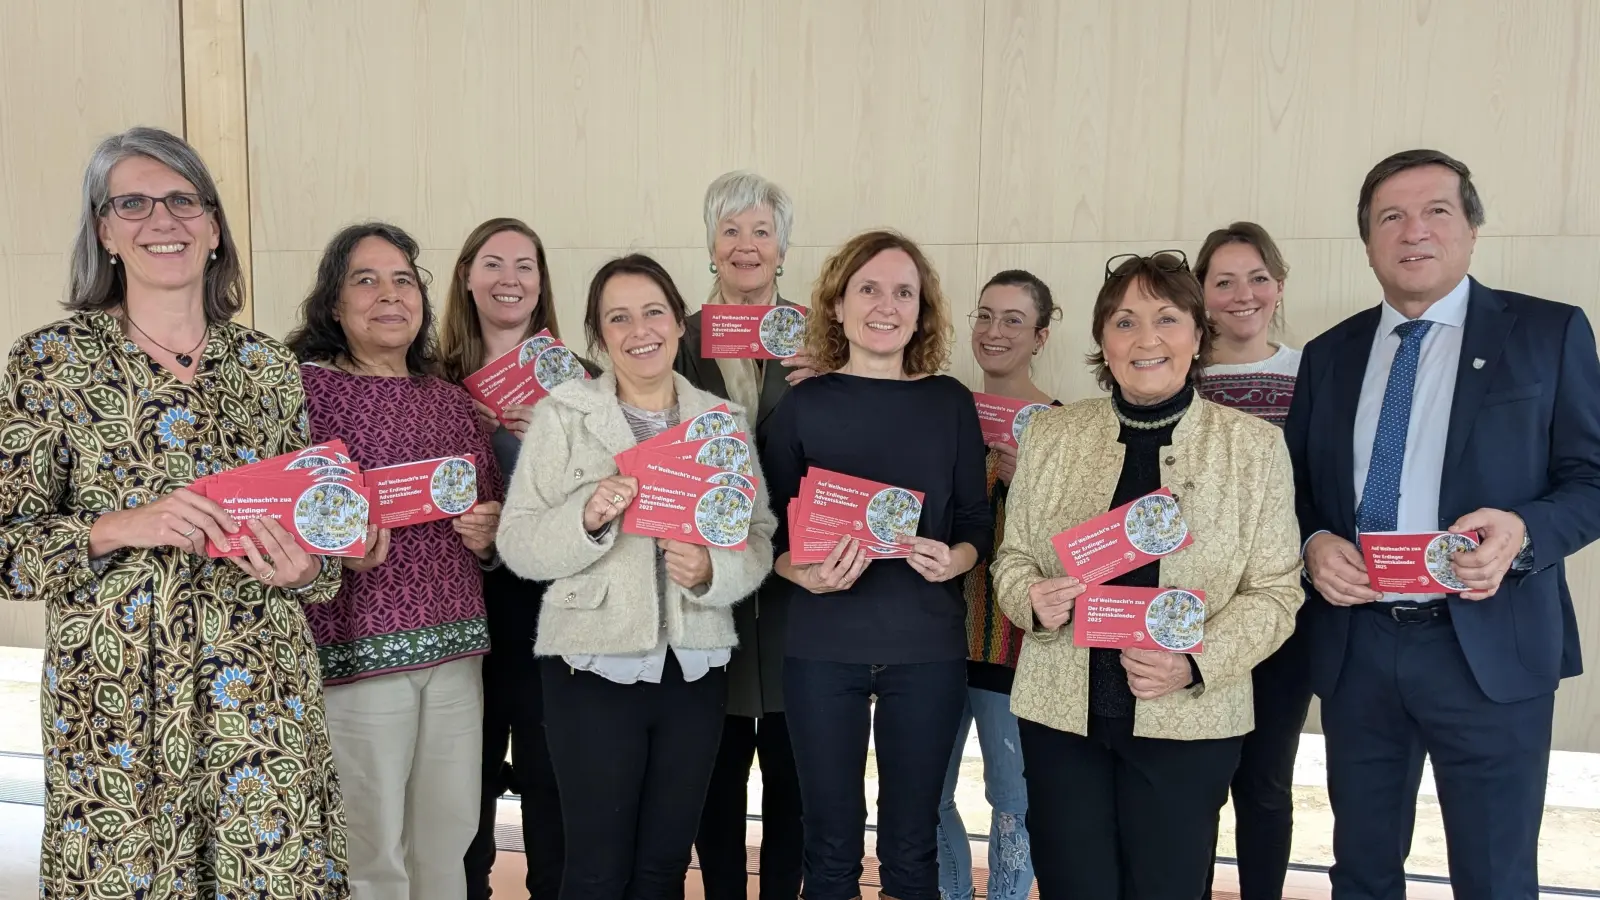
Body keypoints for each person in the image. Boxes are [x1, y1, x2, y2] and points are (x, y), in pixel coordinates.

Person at [2, 126, 349, 898]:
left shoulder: (268, 369)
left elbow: (317, 543)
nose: (163, 220)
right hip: (117, 717)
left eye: (183, 200)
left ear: (215, 227)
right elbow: (7, 549)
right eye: (133, 202)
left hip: (262, 702)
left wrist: (308, 569)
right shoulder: (49, 362)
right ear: (104, 231)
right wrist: (118, 526)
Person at [1286, 149, 1600, 900]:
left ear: (1471, 229)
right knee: (1360, 872)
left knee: (1494, 878)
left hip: (1490, 651)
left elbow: (1590, 480)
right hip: (1360, 647)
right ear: (1367, 241)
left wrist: (1524, 532)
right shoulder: (1329, 355)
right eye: (1390, 216)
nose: (1413, 231)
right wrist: (1313, 543)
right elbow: (1293, 492)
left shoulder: (1546, 335)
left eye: (1436, 211)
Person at [990, 251, 1303, 900]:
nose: (1146, 339)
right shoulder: (1053, 435)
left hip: (1187, 718)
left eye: (1167, 318)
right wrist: (1030, 597)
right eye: (1125, 322)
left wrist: (1194, 660)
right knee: (1074, 885)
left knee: (1166, 886)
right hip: (1061, 721)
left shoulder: (1252, 447)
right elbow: (1012, 559)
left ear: (1197, 333)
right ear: (1103, 342)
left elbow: (1277, 592)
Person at [497, 254, 776, 900]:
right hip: (592, 672)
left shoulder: (721, 421)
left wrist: (714, 569)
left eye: (653, 312)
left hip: (695, 673)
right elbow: (516, 542)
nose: (638, 329)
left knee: (662, 870)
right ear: (598, 336)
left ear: (679, 324)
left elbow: (757, 537)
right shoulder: (564, 415)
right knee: (595, 871)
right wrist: (586, 519)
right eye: (617, 318)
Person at [761, 229, 993, 900]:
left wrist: (958, 559)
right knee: (829, 845)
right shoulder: (802, 404)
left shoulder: (949, 402)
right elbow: (764, 527)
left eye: (903, 292)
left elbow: (975, 521)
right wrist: (795, 571)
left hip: (925, 650)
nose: (885, 305)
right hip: (822, 649)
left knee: (911, 846)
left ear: (921, 312)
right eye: (868, 288)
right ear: (837, 304)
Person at [287, 222, 505, 900]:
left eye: (403, 280)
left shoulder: (451, 402)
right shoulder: (303, 395)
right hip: (358, 656)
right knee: (370, 849)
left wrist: (490, 534)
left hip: (457, 651)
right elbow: (272, 517)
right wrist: (331, 550)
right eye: (366, 279)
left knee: (448, 838)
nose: (389, 295)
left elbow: (492, 513)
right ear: (333, 303)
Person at [675, 171, 812, 900]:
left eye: (761, 231)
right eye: (731, 231)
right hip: (708, 596)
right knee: (713, 783)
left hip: (800, 594)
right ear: (710, 244)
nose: (746, 246)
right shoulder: (674, 340)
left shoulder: (828, 338)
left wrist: (836, 385)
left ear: (783, 247)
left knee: (797, 783)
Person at [439, 217, 574, 900]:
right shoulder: (428, 379)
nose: (510, 279)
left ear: (542, 283)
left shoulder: (581, 383)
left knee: (553, 783)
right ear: (466, 275)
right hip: (456, 608)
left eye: (526, 265)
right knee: (467, 781)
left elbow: (611, 501)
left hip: (549, 612)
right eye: (493, 264)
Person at [933, 270, 1059, 900]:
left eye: (1014, 319)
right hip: (931, 642)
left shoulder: (1068, 429)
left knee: (1015, 802)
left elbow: (1080, 548)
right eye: (985, 315)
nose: (995, 331)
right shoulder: (941, 415)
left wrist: (1031, 478)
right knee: (926, 793)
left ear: (1041, 335)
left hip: (1020, 651)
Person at [1193, 222, 1309, 900]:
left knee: (1265, 783)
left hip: (1279, 612)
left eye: (1258, 277)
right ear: (1202, 295)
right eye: (1224, 281)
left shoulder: (1315, 374)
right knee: (1194, 783)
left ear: (1279, 286)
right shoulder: (1180, 377)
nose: (1243, 294)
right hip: (1191, 612)